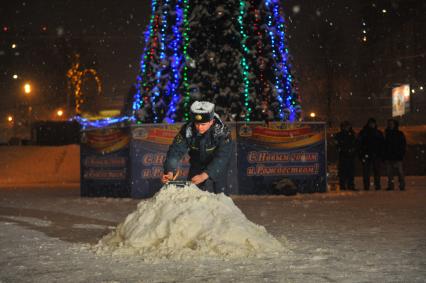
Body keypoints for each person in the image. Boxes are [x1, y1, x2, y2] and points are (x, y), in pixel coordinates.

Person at [162, 101, 233, 193]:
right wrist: (170, 171)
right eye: (197, 124)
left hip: (217, 166)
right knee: (192, 194)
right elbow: (175, 151)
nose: (199, 127)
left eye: (203, 124)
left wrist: (205, 175)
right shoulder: (187, 130)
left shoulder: (223, 132)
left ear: (211, 121)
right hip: (197, 164)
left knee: (220, 195)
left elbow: (223, 157)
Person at [358, 118, 385, 190]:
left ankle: (376, 185)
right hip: (368, 155)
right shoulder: (365, 133)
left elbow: (382, 144)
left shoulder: (377, 133)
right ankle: (368, 186)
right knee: (367, 172)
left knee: (376, 171)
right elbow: (359, 144)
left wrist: (380, 154)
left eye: (373, 123)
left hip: (375, 155)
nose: (372, 125)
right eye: (371, 123)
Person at [384, 119, 406, 191]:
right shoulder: (387, 134)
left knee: (399, 172)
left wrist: (401, 154)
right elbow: (384, 145)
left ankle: (401, 186)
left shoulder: (399, 134)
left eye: (391, 123)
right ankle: (391, 186)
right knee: (390, 173)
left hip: (397, 156)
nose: (390, 125)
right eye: (389, 123)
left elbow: (402, 145)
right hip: (389, 156)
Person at [334, 121, 357, 191]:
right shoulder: (339, 135)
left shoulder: (352, 134)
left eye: (348, 126)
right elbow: (337, 144)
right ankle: (343, 185)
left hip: (350, 155)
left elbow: (355, 144)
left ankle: (350, 185)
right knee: (343, 171)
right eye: (345, 126)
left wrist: (352, 150)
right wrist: (342, 149)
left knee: (350, 171)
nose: (347, 128)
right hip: (343, 155)